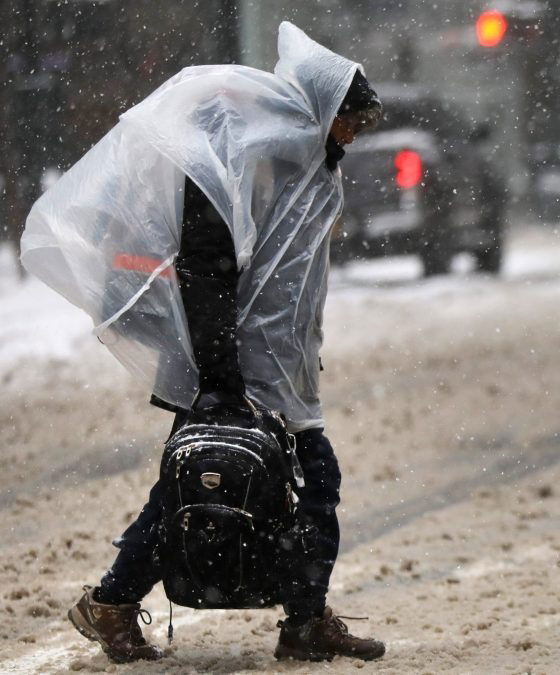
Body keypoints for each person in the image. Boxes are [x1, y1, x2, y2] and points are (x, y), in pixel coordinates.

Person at [21, 23, 385, 663]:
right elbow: (207, 272)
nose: (355, 135)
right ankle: (295, 621)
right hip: (235, 362)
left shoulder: (291, 165)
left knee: (203, 486)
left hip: (269, 362)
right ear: (323, 114)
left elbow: (287, 279)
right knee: (283, 480)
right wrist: (220, 378)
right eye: (352, 121)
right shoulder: (239, 170)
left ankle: (122, 603)